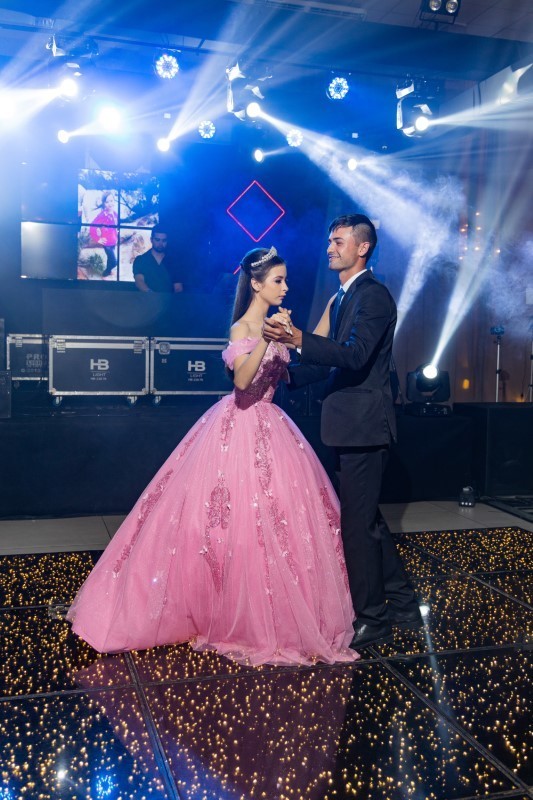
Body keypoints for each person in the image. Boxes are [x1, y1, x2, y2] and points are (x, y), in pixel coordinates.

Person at [67, 246, 357, 666]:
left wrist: (331, 305)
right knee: (229, 521)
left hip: (272, 426)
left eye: (285, 280)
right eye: (278, 280)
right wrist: (267, 338)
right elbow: (242, 381)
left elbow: (312, 345)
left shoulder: (277, 324)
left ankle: (275, 610)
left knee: (275, 520)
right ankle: (219, 608)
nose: (285, 287)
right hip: (238, 426)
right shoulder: (243, 327)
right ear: (256, 283)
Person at [263, 214, 422, 649]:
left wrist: (298, 338)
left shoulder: (373, 296)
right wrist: (285, 375)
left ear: (362, 248)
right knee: (364, 518)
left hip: (365, 426)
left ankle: (373, 618)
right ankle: (403, 604)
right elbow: (328, 360)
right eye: (330, 241)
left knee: (356, 525)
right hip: (347, 426)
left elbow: (354, 356)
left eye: (338, 241)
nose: (329, 248)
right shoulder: (343, 296)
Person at [133, 224, 184, 293]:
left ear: (167, 241)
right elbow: (139, 281)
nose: (160, 244)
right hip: (147, 299)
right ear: (151, 240)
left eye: (164, 240)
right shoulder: (141, 260)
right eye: (157, 240)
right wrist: (152, 296)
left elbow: (178, 287)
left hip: (168, 299)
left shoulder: (174, 261)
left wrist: (176, 299)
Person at [89, 191, 118, 278]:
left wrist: (117, 232)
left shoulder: (115, 213)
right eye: (107, 202)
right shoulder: (102, 215)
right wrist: (98, 239)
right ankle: (106, 272)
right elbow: (92, 226)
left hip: (114, 241)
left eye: (111, 201)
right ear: (104, 203)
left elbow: (115, 225)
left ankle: (108, 272)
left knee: (110, 258)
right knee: (114, 262)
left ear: (114, 201)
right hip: (107, 243)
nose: (110, 203)